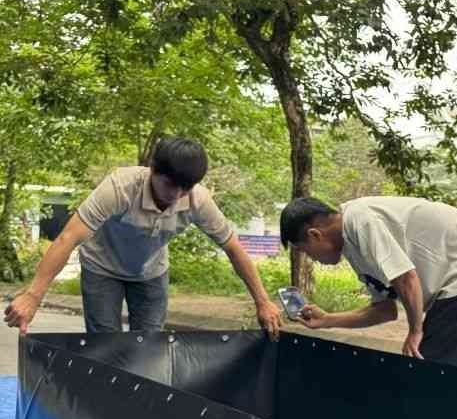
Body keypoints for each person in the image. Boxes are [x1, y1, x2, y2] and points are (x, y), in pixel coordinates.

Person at [4, 137, 281, 338]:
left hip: (151, 272)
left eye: (185, 188)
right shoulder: (120, 187)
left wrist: (262, 301)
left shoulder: (198, 200)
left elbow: (233, 248)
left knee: (149, 344)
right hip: (101, 267)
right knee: (105, 344)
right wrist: (33, 295)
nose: (176, 195)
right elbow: (67, 238)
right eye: (170, 184)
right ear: (153, 169)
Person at [279, 195, 457, 369]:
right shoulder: (353, 246)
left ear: (315, 235)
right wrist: (327, 320)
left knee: (433, 373)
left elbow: (406, 278)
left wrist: (415, 331)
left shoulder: (359, 219)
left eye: (304, 250)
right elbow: (385, 311)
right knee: (431, 372)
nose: (311, 258)